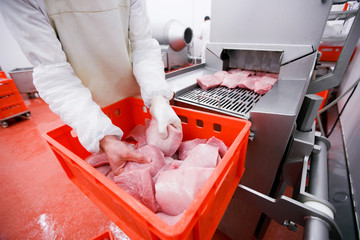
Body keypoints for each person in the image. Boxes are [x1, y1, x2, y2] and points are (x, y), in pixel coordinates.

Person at [0, 0, 182, 176]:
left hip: (131, 94)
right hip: (85, 106)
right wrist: (103, 137)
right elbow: (53, 72)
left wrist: (158, 98)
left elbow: (142, 45)